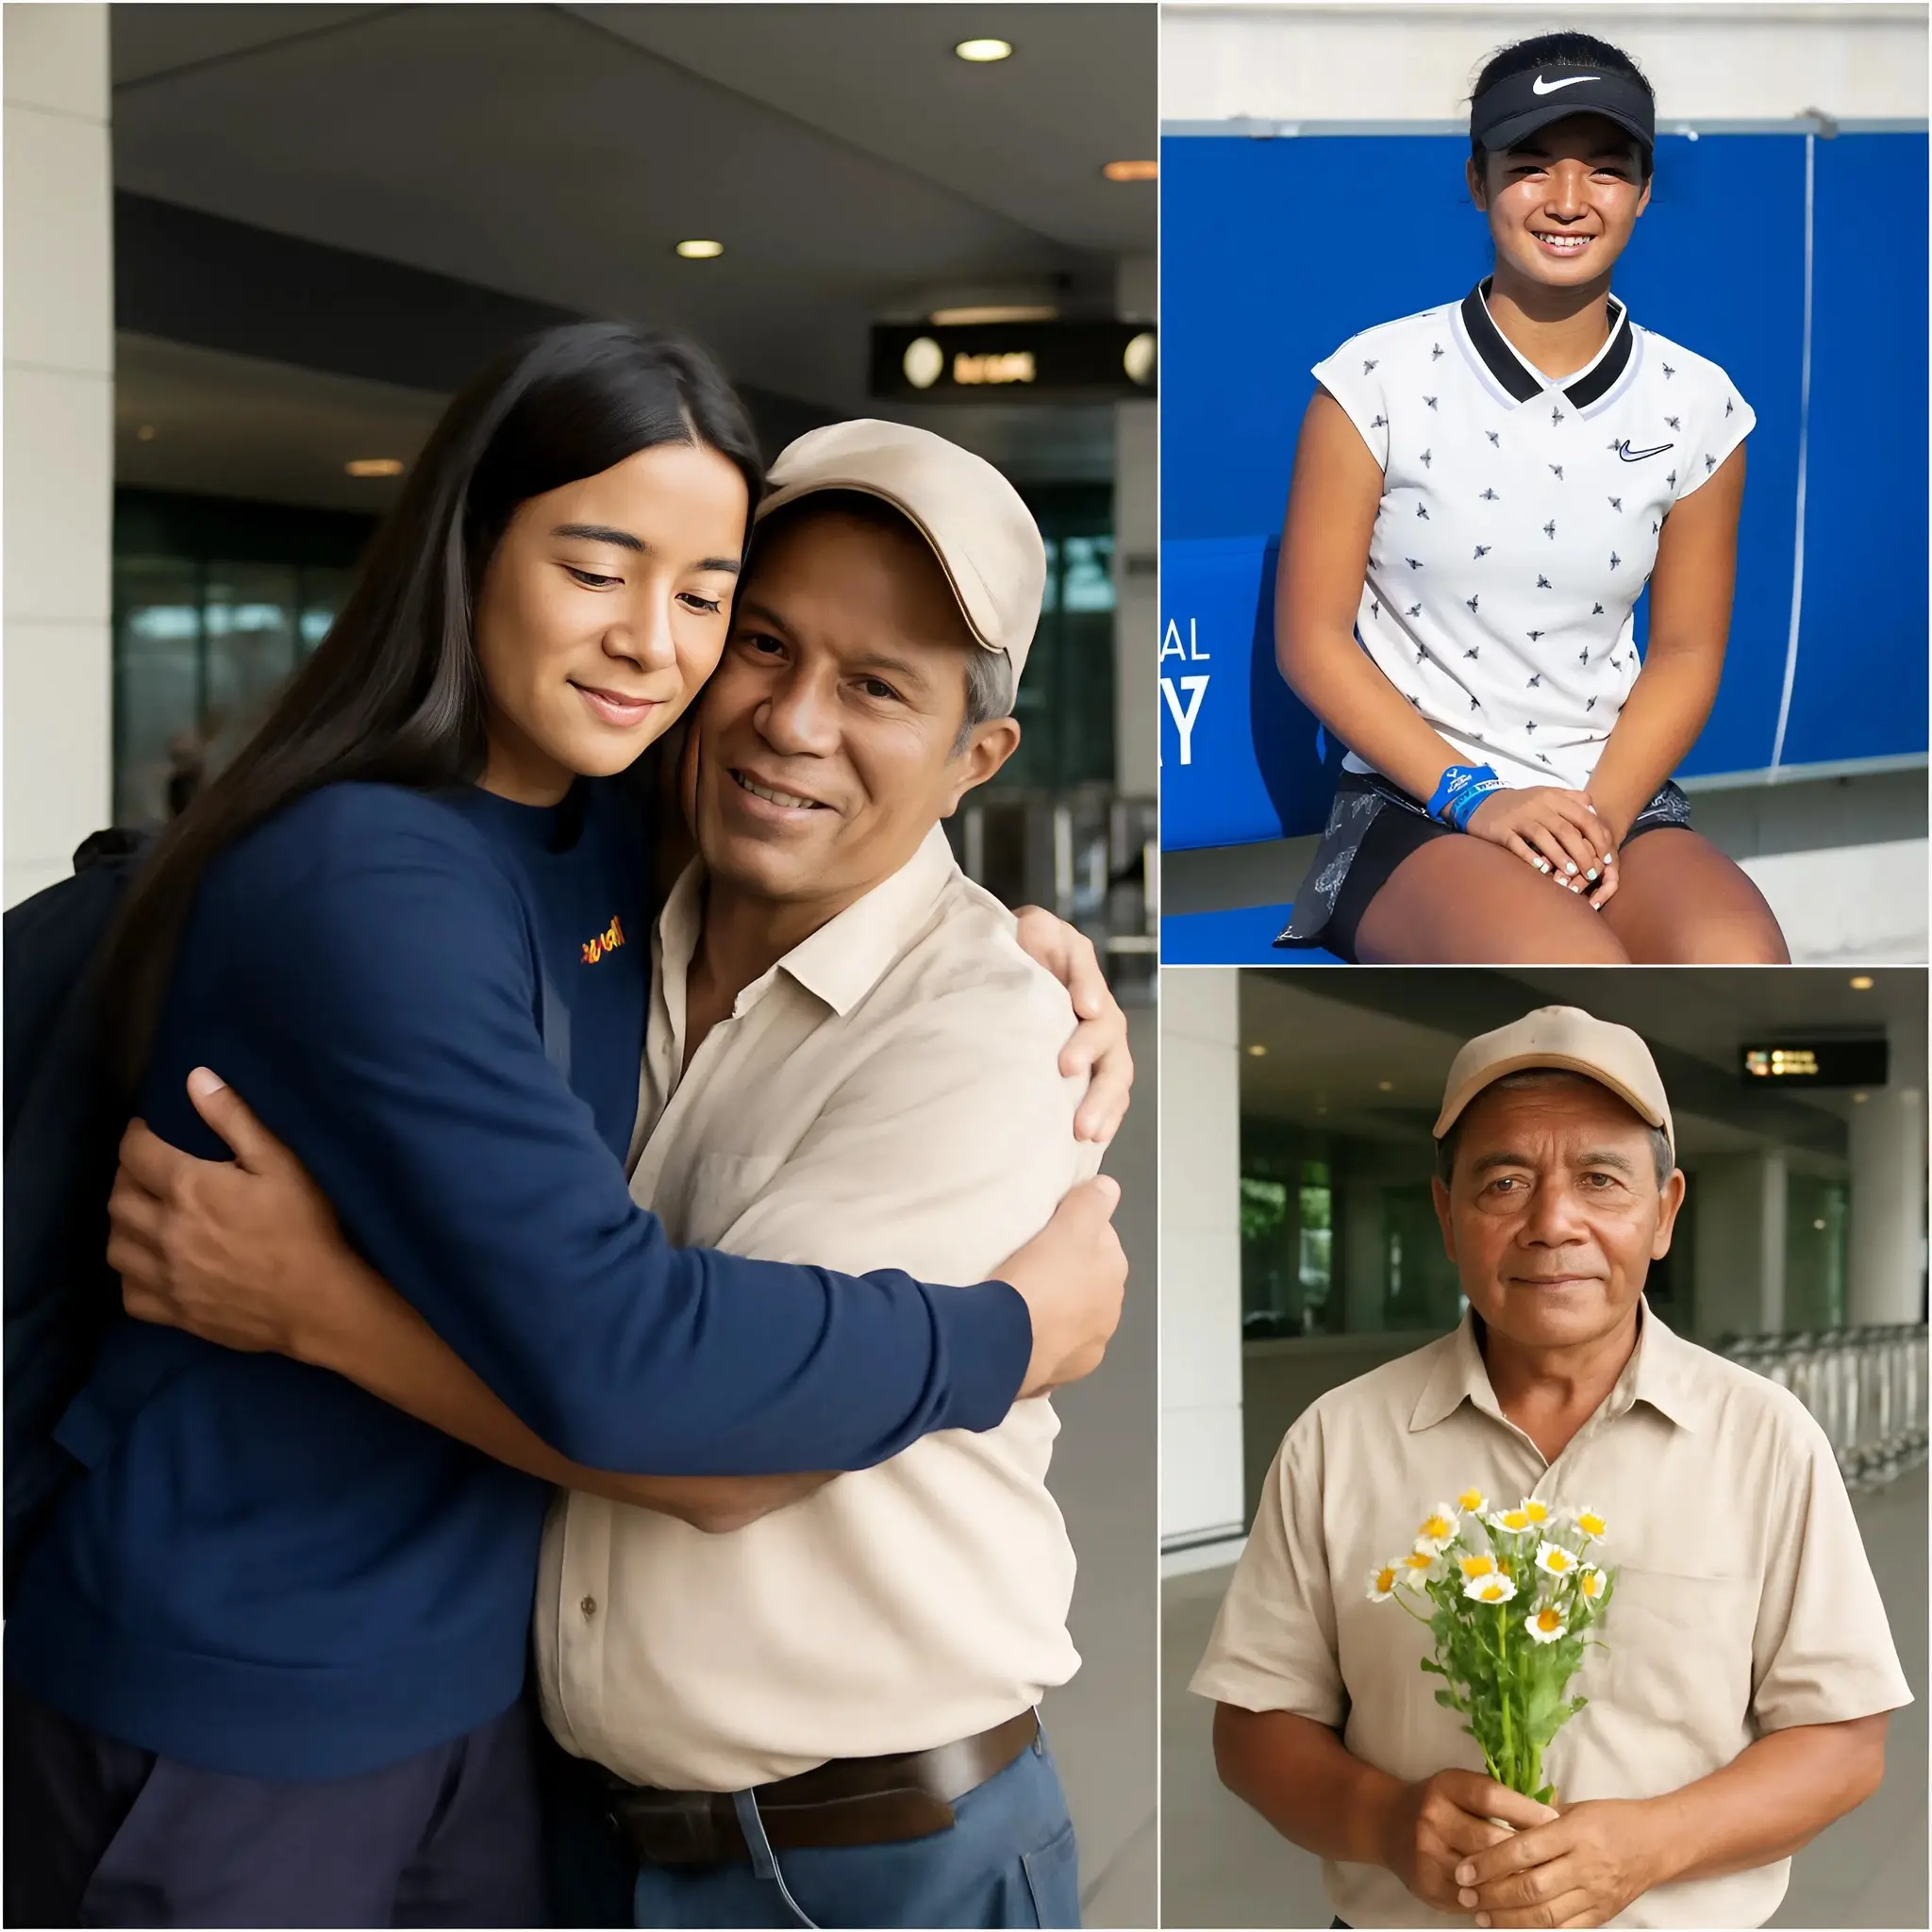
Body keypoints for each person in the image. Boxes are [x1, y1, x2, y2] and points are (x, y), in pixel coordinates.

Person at [3, 329, 1130, 1930]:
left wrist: (1023, 944)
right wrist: (1010, 1332)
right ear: (472, 551)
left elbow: (707, 1441)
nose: (677, 656)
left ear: (976, 755)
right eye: (606, 572)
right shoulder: (421, 873)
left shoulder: (641, 859)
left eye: (700, 596)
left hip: (610, 1767)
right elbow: (626, 1362)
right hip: (246, 1695)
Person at [1193, 1005, 1909, 1928]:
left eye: (1600, 1180)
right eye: (1504, 1182)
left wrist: (1653, 1843)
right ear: (1446, 1215)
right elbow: (1255, 1725)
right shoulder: (1336, 1438)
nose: (1552, 1223)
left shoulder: (1766, 1438)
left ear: (1664, 1211)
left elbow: (1843, 1741)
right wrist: (1384, 1820)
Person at [1273, 32, 1789, 965]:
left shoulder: (1699, 402)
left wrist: (1597, 819)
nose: (1566, 199)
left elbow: (1685, 652)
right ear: (1477, 181)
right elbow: (1312, 640)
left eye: (1605, 168)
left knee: (1736, 960)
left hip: (1610, 804)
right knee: (1572, 965)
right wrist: (1475, 797)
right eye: (1529, 165)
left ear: (1642, 190)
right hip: (1416, 805)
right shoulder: (1372, 378)